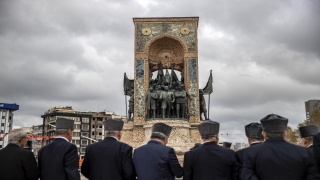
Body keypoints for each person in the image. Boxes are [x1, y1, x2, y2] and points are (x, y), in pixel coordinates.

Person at [241, 114, 319, 180]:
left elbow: (246, 176)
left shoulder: (251, 152)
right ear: (285, 134)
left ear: (264, 134)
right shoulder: (303, 152)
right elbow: (313, 177)